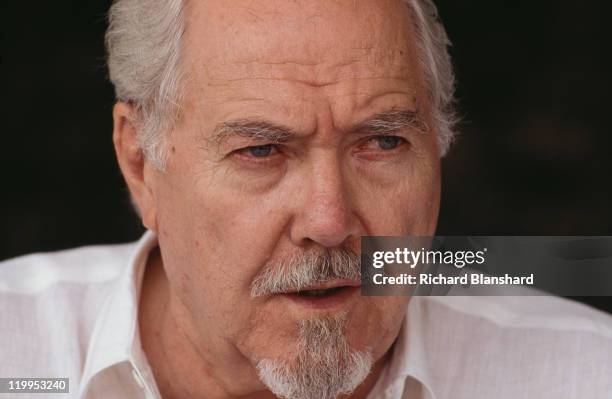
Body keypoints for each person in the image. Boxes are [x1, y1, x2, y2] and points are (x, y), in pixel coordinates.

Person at [1, 0, 611, 398]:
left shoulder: (585, 375)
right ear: (141, 164)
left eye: (381, 141)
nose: (329, 220)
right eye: (261, 152)